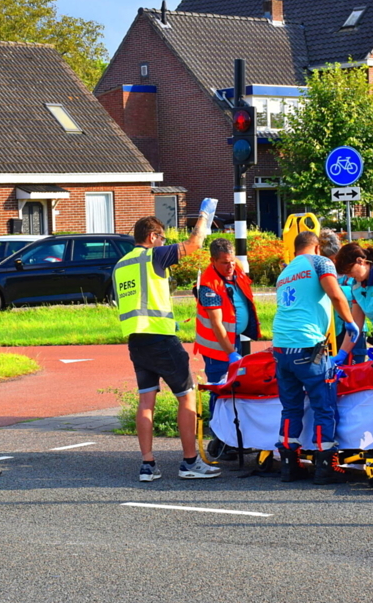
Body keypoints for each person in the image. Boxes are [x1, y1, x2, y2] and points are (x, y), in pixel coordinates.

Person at [114, 200, 221, 483]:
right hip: (161, 335)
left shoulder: (120, 265)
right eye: (162, 237)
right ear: (152, 237)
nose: (163, 242)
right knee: (187, 396)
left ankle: (148, 465)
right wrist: (205, 214)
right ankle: (189, 462)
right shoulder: (154, 256)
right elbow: (195, 243)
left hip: (136, 340)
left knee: (146, 400)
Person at [272, 231, 358, 485]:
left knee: (290, 407)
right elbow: (335, 294)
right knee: (324, 406)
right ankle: (325, 467)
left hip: (281, 347)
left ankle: (289, 465)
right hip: (308, 346)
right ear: (318, 247)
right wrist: (350, 322)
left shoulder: (285, 272)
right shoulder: (320, 262)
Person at [194, 237, 260, 386]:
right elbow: (216, 324)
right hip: (217, 347)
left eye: (231, 261)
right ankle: (215, 409)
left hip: (233, 338)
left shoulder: (235, 267)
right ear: (213, 260)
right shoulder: (209, 286)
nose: (230, 266)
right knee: (219, 387)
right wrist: (231, 353)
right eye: (224, 263)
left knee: (237, 385)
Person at [318, 228, 353, 351]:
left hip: (349, 324)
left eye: (335, 258)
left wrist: (334, 289)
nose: (333, 263)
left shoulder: (349, 270)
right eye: (329, 259)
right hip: (328, 328)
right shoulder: (320, 272)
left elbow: (355, 292)